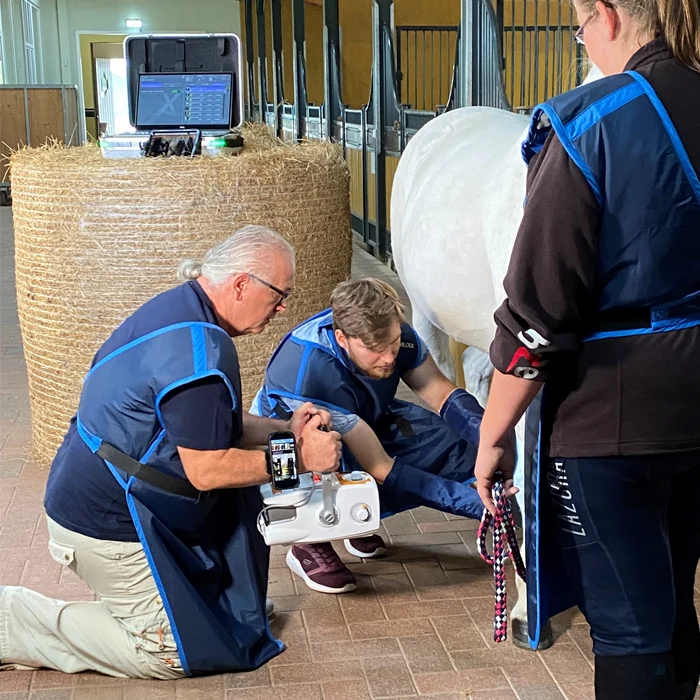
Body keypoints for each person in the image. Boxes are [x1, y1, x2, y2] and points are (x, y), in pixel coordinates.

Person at [473, 0, 700, 697]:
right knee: (673, 600)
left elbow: (539, 314)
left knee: (632, 625)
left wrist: (493, 432)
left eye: (578, 30)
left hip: (615, 416)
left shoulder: (586, 122)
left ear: (603, 14)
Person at [0, 225, 342, 678]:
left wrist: (284, 429)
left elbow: (202, 426)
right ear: (242, 284)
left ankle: (198, 613)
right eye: (280, 294)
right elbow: (206, 470)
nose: (283, 307)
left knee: (217, 622)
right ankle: (11, 623)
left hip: (104, 496)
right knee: (171, 653)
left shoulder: (180, 310)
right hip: (109, 525)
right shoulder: (200, 351)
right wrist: (299, 460)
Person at [252, 278, 485, 594]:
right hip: (295, 445)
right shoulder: (311, 371)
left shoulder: (395, 331)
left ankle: (354, 519)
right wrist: (479, 506)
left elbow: (439, 392)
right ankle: (307, 542)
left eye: (392, 343)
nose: (388, 357)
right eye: (374, 350)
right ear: (342, 339)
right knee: (329, 464)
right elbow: (380, 466)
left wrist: (492, 441)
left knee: (458, 447)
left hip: (364, 415)